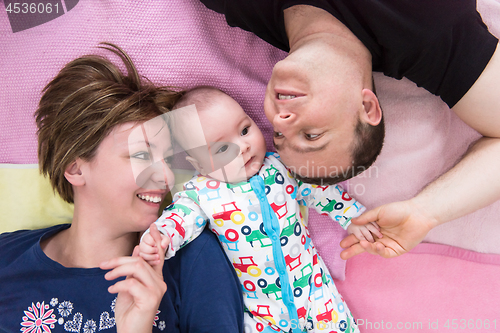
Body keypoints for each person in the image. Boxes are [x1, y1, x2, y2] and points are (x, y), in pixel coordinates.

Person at [197, 0, 500, 259]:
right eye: (312, 135)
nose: (280, 121)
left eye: (279, 136)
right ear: (367, 107)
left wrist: (426, 211)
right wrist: (426, 212)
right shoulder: (427, 33)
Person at [0, 44, 243, 333]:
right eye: (141, 155)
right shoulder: (6, 259)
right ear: (76, 168)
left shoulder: (193, 260)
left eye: (168, 158)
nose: (166, 175)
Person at [139, 87, 381, 333]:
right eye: (223, 149)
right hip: (261, 313)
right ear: (199, 164)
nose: (243, 146)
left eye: (245, 130)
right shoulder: (201, 193)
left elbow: (320, 190)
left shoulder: (282, 167)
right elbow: (180, 218)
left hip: (315, 292)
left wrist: (353, 217)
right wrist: (161, 237)